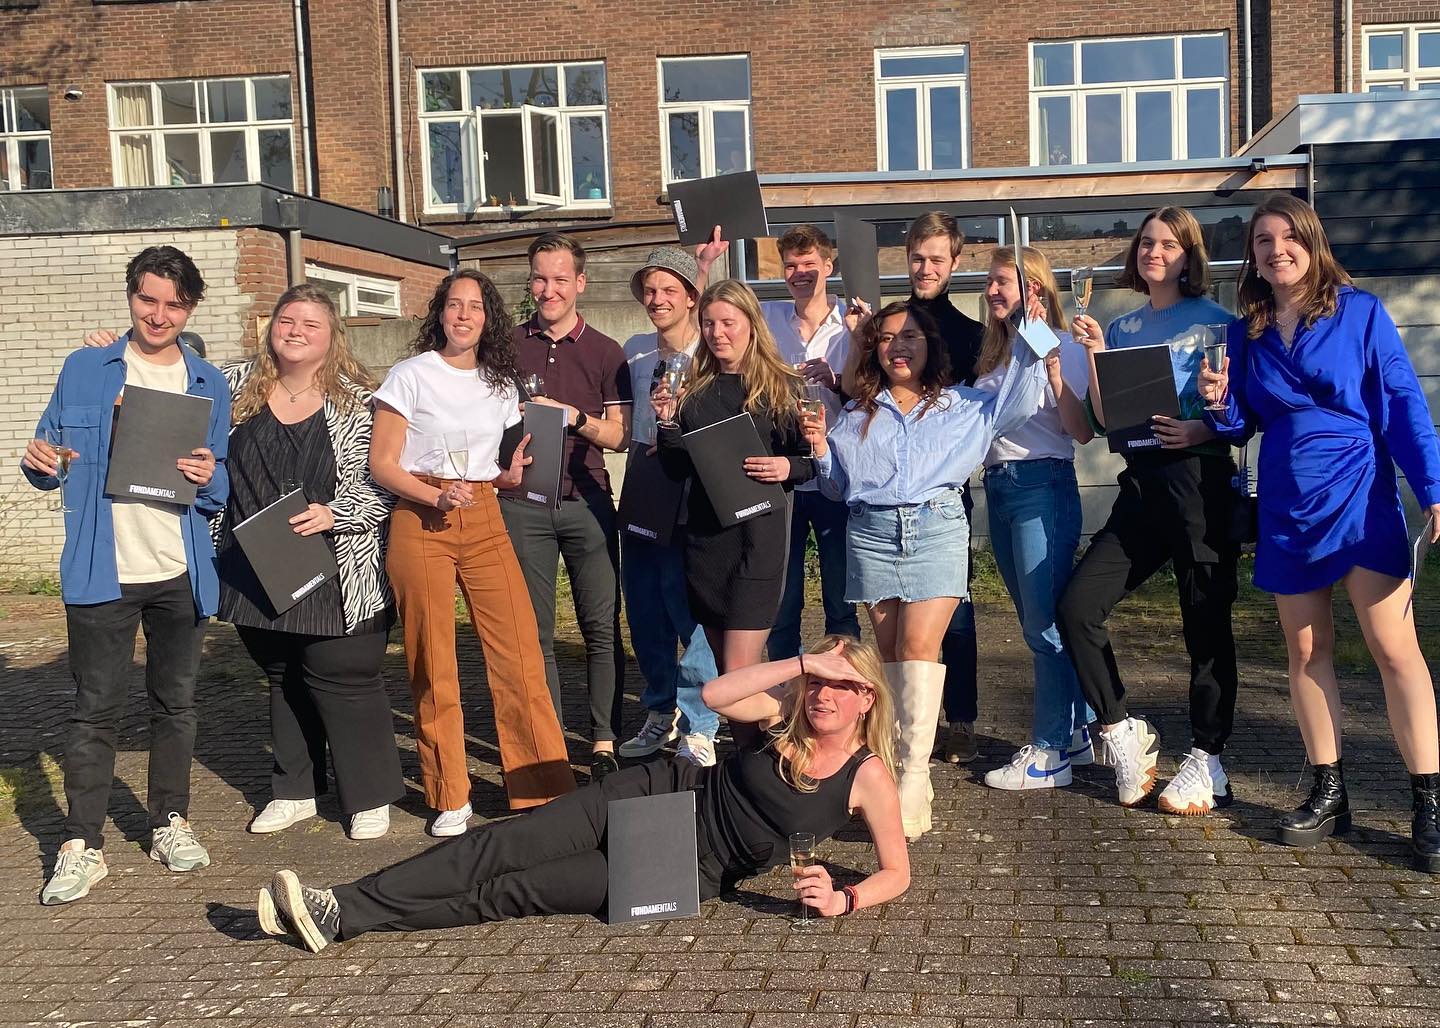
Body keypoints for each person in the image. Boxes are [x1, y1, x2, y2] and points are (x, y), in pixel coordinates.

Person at [254, 636, 909, 952]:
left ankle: (344, 920)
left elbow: (897, 873)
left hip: (683, 866)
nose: (825, 695)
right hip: (661, 789)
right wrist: (802, 664)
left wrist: (844, 899)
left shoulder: (868, 776)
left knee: (510, 894)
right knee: (500, 845)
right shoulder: (784, 711)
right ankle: (339, 907)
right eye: (820, 683)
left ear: (867, 698)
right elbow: (712, 695)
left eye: (841, 685)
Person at [1199, 196, 1440, 870]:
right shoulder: (1245, 333)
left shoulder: (1360, 313)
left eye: (1289, 237)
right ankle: (1328, 791)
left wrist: (1432, 488)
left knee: (1394, 648)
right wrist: (1218, 402)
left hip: (1360, 497)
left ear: (1312, 243)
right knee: (1306, 651)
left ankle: (1429, 801)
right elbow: (1239, 425)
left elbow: (1402, 404)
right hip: (1286, 504)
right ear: (1252, 256)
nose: (1276, 250)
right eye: (1263, 240)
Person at [24, 246, 230, 904]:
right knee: (94, 711)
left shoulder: (209, 383)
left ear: (190, 309)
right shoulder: (85, 367)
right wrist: (41, 462)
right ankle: (81, 844)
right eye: (148, 299)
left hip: (179, 569)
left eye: (175, 304)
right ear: (130, 297)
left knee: (176, 705)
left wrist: (209, 476)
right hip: (101, 568)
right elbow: (48, 457)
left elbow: (220, 483)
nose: (159, 315)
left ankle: (169, 821)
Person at [805, 299, 1047, 838]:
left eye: (910, 335)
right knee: (890, 654)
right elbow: (837, 487)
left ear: (930, 345)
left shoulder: (964, 404)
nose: (898, 346)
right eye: (887, 337)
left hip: (935, 528)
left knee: (918, 648)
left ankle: (912, 778)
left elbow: (1022, 399)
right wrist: (820, 447)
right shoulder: (855, 414)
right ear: (874, 349)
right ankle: (896, 765)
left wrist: (1031, 332)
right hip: (870, 534)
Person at [370, 269, 575, 837]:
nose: (464, 315)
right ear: (440, 313)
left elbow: (494, 466)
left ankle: (542, 789)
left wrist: (507, 477)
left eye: (476, 307)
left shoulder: (501, 383)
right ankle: (449, 795)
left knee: (520, 654)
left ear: (489, 319)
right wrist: (434, 495)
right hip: (421, 516)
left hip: (484, 513)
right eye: (455, 305)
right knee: (433, 661)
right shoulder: (410, 375)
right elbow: (382, 463)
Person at [1057, 205, 1240, 816]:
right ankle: (1120, 728)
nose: (1153, 252)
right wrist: (1097, 352)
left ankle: (1208, 757)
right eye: (1146, 243)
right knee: (1078, 607)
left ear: (1190, 256)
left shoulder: (1219, 322)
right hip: (1141, 486)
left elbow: (1238, 411)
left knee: (1204, 623)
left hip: (1199, 482)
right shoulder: (1123, 325)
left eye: (1167, 244)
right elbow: (1105, 417)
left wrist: (1201, 430)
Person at [213, 284, 404, 840]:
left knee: (344, 675)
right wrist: (112, 349)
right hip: (254, 565)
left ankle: (369, 797)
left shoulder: (362, 402)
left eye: (310, 324)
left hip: (338, 564)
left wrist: (335, 513)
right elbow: (162, 384)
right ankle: (294, 791)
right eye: (287, 320)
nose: (295, 331)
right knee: (281, 676)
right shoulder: (230, 386)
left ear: (332, 336)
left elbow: (386, 481)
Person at [500, 233, 633, 781]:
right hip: (521, 504)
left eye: (560, 279)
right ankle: (548, 741)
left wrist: (573, 417)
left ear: (580, 282)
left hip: (587, 503)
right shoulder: (504, 346)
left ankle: (603, 741)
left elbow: (621, 437)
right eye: (539, 278)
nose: (548, 289)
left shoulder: (606, 351)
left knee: (600, 627)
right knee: (533, 632)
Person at [972, 247, 1097, 790]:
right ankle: (1079, 730)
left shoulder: (1060, 346)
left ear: (1035, 289)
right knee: (1036, 619)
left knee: (1043, 626)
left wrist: (1053, 368)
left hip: (1043, 485)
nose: (992, 291)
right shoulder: (993, 354)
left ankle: (1049, 753)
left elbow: (1081, 431)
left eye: (1003, 281)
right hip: (999, 487)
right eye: (990, 282)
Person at [654, 280, 814, 695]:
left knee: (741, 671)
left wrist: (785, 466)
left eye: (728, 322)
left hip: (758, 541)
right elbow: (676, 468)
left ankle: (780, 732)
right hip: (706, 543)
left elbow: (811, 461)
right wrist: (667, 421)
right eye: (708, 323)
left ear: (751, 324)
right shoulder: (693, 391)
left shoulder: (783, 386)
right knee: (727, 673)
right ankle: (754, 739)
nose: (717, 333)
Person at [616, 247, 722, 768]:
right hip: (644, 478)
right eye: (650, 291)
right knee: (645, 606)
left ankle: (701, 722)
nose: (657, 300)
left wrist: (703, 268)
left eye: (669, 291)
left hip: (692, 483)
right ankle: (660, 709)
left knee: (691, 610)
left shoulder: (712, 351)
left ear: (690, 297)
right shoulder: (634, 350)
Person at [759, 226, 861, 660]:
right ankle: (786, 689)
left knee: (841, 598)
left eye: (809, 264)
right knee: (782, 601)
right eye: (791, 265)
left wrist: (836, 383)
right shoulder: (768, 318)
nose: (799, 273)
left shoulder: (853, 323)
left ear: (829, 266)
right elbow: (710, 317)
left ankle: (843, 685)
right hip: (786, 473)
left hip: (838, 470)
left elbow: (873, 394)